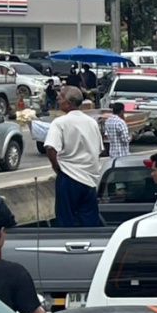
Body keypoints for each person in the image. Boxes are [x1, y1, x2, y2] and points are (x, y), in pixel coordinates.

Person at [44, 85, 103, 228]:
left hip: (69, 176)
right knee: (89, 220)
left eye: (61, 97)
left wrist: (56, 166)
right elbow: (100, 149)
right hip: (89, 179)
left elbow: (50, 147)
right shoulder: (92, 122)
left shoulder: (59, 122)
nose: (58, 99)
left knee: (66, 221)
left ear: (69, 103)